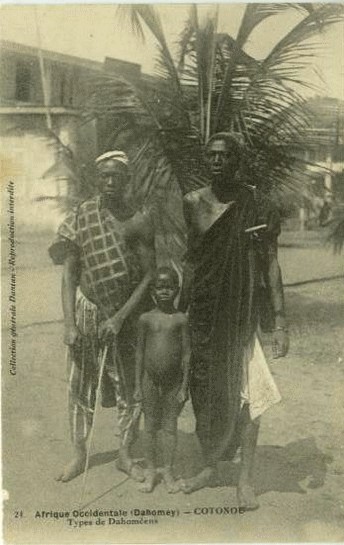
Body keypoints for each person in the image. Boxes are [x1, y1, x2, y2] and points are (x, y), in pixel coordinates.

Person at [179, 133, 289, 510]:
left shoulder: (255, 204)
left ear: (236, 160)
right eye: (210, 155)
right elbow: (192, 262)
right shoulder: (192, 203)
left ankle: (245, 480)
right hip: (204, 315)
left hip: (241, 316)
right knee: (205, 394)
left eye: (224, 156)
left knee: (249, 397)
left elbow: (270, 264)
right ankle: (210, 467)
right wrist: (181, 310)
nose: (216, 162)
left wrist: (280, 321)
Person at [49, 150, 155, 483]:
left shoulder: (138, 219)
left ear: (127, 180)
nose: (110, 182)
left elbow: (150, 275)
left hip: (125, 316)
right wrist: (69, 324)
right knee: (80, 384)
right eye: (104, 176)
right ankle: (80, 453)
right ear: (97, 179)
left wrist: (121, 317)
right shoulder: (82, 216)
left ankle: (124, 453)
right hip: (88, 310)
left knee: (128, 385)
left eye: (116, 177)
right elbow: (69, 275)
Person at [133, 267, 190, 493]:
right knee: (149, 428)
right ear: (152, 291)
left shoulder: (180, 319)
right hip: (149, 381)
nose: (164, 291)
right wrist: (137, 385)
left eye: (169, 287)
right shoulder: (145, 319)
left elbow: (187, 354)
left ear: (176, 289)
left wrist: (184, 386)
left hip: (173, 382)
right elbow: (139, 353)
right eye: (159, 287)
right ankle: (150, 471)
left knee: (169, 428)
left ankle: (167, 470)